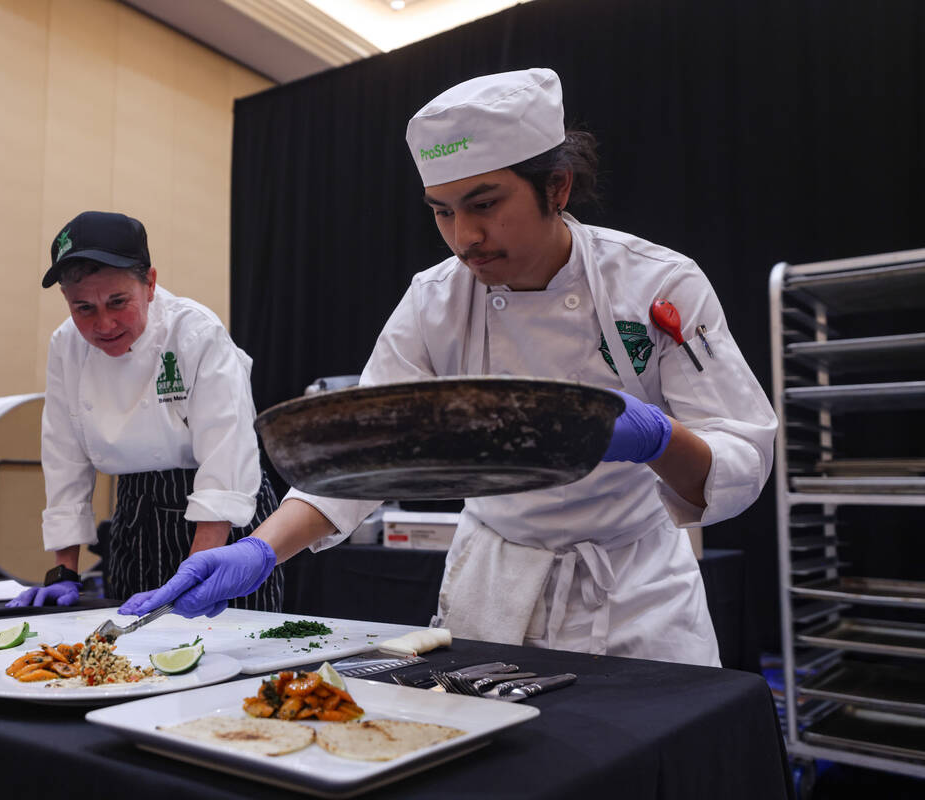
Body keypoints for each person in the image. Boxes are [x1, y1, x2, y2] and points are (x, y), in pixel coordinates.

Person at [120, 69, 777, 666]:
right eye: (441, 211)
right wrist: (260, 549)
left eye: (484, 204)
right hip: (495, 585)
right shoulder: (435, 300)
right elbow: (361, 455)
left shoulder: (659, 284)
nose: (464, 237)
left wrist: (660, 438)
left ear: (558, 186)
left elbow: (743, 453)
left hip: (636, 591)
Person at [8, 211, 282, 611]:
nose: (104, 323)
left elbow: (225, 466)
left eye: (118, 302)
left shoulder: (195, 333)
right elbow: (64, 459)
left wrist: (198, 571)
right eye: (83, 308)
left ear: (150, 284)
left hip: (224, 522)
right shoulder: (66, 346)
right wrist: (64, 572)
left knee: (228, 650)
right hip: (135, 516)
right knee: (133, 658)